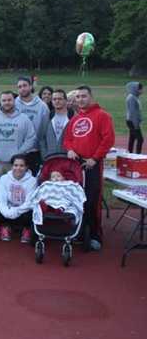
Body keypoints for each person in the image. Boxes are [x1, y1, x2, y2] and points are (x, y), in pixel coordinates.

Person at [63, 85, 115, 251]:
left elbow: (108, 140)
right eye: (77, 97)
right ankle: (79, 231)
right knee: (76, 200)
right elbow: (67, 139)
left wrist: (94, 158)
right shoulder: (75, 119)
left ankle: (94, 235)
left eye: (84, 96)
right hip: (76, 165)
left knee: (92, 200)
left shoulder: (102, 116)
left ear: (91, 97)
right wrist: (70, 149)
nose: (80, 100)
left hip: (92, 164)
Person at [0, 91, 36, 174]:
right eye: (4, 100)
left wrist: (20, 152)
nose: (7, 102)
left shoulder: (24, 118)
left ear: (14, 101)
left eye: (9, 100)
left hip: (16, 164)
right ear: (0, 102)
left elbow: (31, 138)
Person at [0, 154, 37, 243]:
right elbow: (1, 198)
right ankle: (5, 227)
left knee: (32, 211)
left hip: (23, 211)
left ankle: (26, 230)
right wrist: (7, 212)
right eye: (15, 165)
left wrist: (16, 211)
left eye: (22, 166)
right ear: (12, 166)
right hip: (9, 209)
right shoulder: (4, 178)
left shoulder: (32, 181)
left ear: (26, 167)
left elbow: (29, 202)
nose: (18, 168)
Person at [15, 76, 50, 175]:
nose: (22, 88)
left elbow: (45, 130)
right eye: (19, 86)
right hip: (18, 150)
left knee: (34, 179)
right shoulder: (13, 104)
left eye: (25, 85)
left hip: (35, 150)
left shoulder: (42, 106)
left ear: (30, 87)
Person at [39, 89, 73, 159]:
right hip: (50, 159)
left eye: (60, 99)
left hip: (68, 159)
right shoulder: (47, 117)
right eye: (54, 99)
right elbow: (42, 138)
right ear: (52, 101)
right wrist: (45, 155)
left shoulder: (73, 117)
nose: (57, 101)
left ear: (66, 101)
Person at [126, 82, 143, 154]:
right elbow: (133, 112)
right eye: (141, 89)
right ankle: (138, 155)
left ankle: (129, 154)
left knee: (132, 138)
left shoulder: (134, 97)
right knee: (140, 139)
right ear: (136, 89)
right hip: (132, 121)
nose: (142, 91)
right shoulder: (131, 98)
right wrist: (136, 124)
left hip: (131, 120)